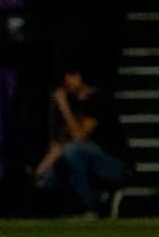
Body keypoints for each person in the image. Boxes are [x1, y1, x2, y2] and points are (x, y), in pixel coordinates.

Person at [34, 65, 133, 216]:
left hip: (116, 165)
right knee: (50, 177)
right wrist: (41, 169)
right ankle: (74, 207)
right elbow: (62, 142)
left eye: (71, 75)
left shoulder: (99, 100)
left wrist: (64, 106)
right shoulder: (74, 104)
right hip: (88, 162)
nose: (68, 82)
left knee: (73, 150)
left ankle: (91, 207)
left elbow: (79, 137)